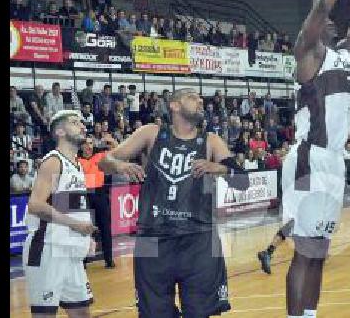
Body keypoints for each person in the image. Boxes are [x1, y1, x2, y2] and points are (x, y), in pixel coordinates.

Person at [270, 0, 350, 318]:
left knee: (319, 251)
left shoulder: (346, 55)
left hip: (333, 161)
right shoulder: (308, 53)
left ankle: (309, 314)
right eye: (326, 21)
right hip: (308, 158)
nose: (331, 20)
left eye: (334, 21)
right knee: (304, 250)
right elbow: (321, 3)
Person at [98, 89, 250, 317]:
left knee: (200, 313)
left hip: (199, 237)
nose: (200, 101)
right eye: (192, 97)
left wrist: (219, 167)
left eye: (201, 99)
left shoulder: (211, 141)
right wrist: (121, 166)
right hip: (152, 235)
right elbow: (105, 162)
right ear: (174, 105)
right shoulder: (152, 133)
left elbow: (242, 181)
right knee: (154, 313)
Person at [22, 110, 97, 317]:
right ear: (60, 131)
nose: (82, 126)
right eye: (75, 123)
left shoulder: (78, 165)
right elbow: (35, 205)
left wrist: (85, 236)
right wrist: (75, 225)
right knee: (45, 314)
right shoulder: (54, 161)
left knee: (82, 312)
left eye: (82, 122)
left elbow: (70, 205)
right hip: (47, 248)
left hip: (70, 250)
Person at [77, 138, 114, 269]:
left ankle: (109, 259)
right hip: (83, 194)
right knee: (83, 229)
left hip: (99, 194)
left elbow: (118, 152)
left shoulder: (101, 156)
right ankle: (83, 261)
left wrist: (112, 140)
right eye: (86, 143)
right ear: (81, 146)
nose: (88, 146)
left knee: (105, 228)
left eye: (91, 143)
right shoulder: (76, 159)